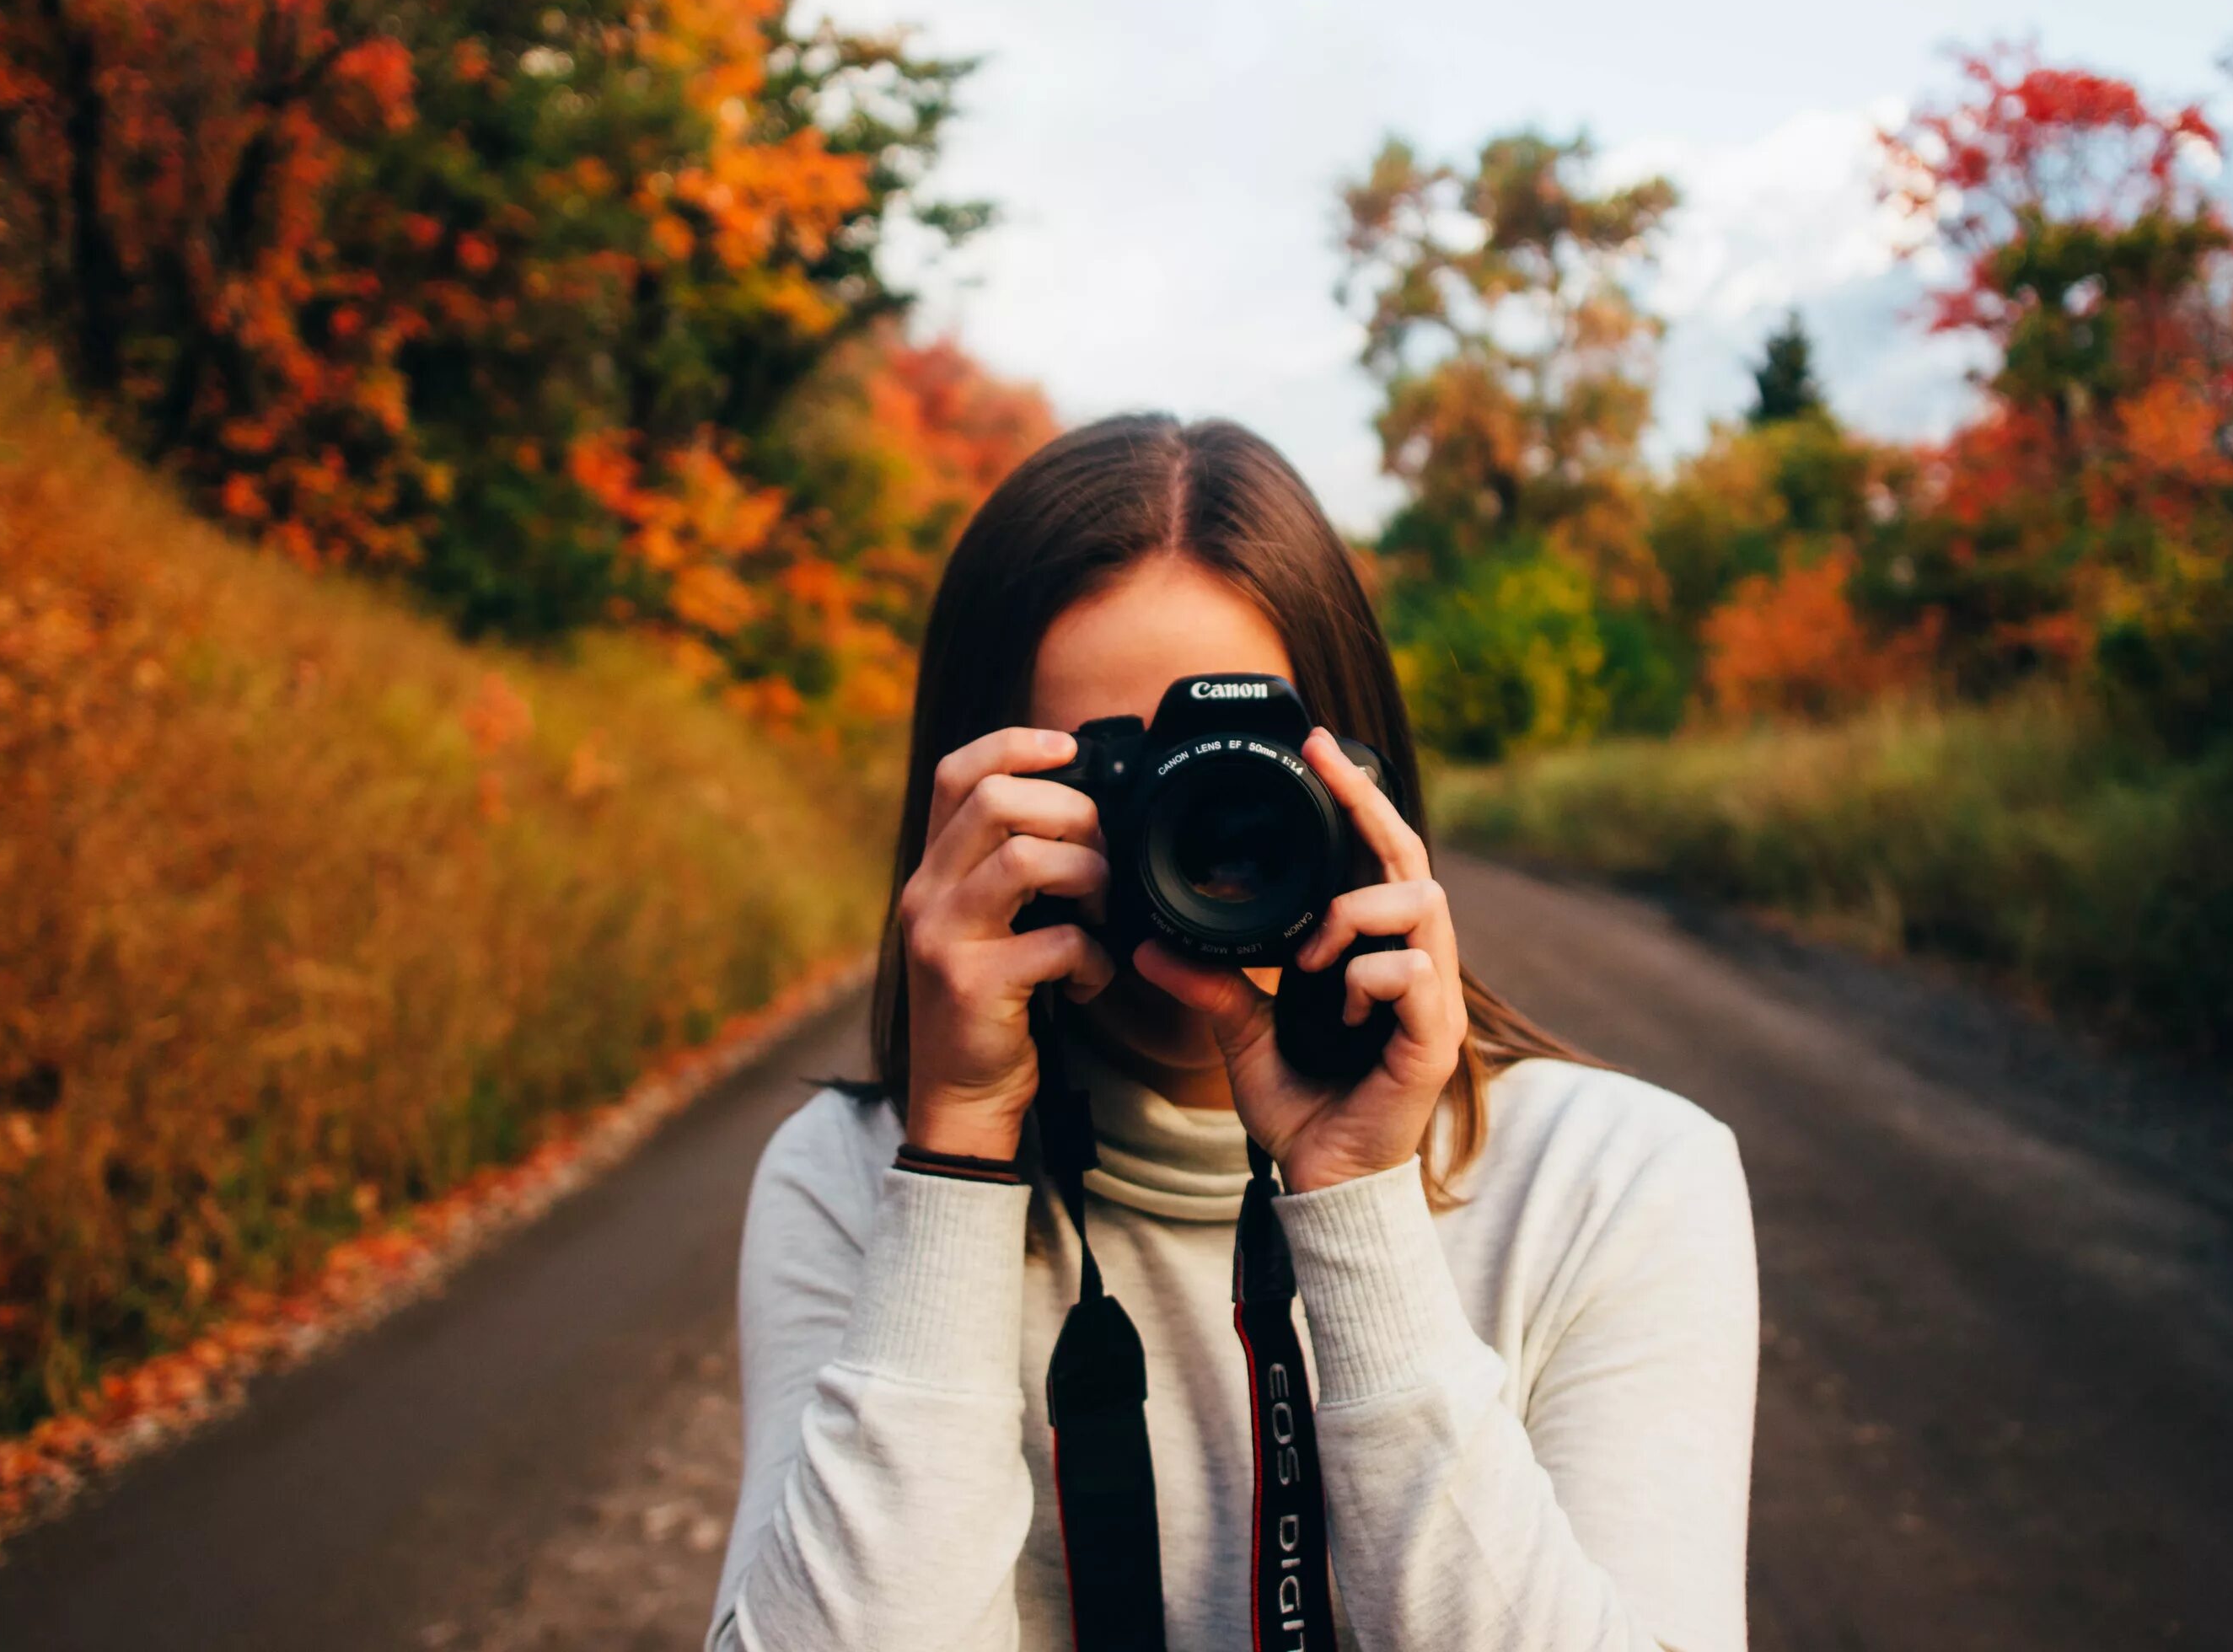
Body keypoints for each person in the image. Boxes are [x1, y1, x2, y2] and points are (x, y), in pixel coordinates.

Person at [707, 416, 1758, 1652]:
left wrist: (1359, 1202)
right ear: (971, 801)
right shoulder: (853, 1177)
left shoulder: (1617, 1180)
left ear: (1365, 780)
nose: (1191, 839)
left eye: (1245, 778)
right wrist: (955, 1153)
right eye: (1117, 778)